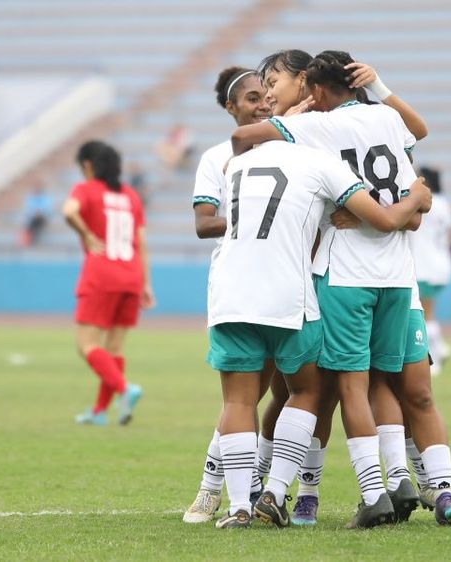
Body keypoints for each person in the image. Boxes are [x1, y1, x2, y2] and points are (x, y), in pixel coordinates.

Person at [234, 50, 451, 528]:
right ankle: (426, 485)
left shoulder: (315, 128)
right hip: (399, 280)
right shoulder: (386, 118)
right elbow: (416, 199)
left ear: (315, 89)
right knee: (403, 387)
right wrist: (381, 87)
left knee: (340, 388)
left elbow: (243, 138)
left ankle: (358, 493)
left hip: (342, 275)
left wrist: (292, 115)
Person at [210, 138, 431, 529]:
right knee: (310, 390)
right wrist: (413, 194)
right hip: (289, 292)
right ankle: (277, 492)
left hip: (231, 290)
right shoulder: (318, 160)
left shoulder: (235, 162)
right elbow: (386, 218)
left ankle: (240, 506)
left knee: (238, 402)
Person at [183, 66, 275, 524]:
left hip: (285, 283)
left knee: (273, 393)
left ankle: (257, 486)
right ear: (230, 107)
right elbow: (203, 224)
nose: (263, 104)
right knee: (245, 394)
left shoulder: (289, 148)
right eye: (252, 98)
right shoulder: (216, 157)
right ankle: (210, 488)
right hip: (238, 283)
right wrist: (254, 216)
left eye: (267, 96)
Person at [62, 140, 155, 426]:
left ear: (88, 165)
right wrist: (146, 284)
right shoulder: (130, 196)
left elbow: (69, 212)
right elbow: (140, 243)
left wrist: (87, 235)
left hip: (101, 275)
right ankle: (101, 412)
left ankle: (124, 389)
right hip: (131, 277)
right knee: (114, 349)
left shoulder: (86, 189)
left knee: (86, 345)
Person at [409, 166, 451, 375]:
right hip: (443, 263)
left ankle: (434, 357)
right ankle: (441, 347)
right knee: (429, 311)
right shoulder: (445, 204)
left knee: (423, 314)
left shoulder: (426, 202)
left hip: (424, 265)